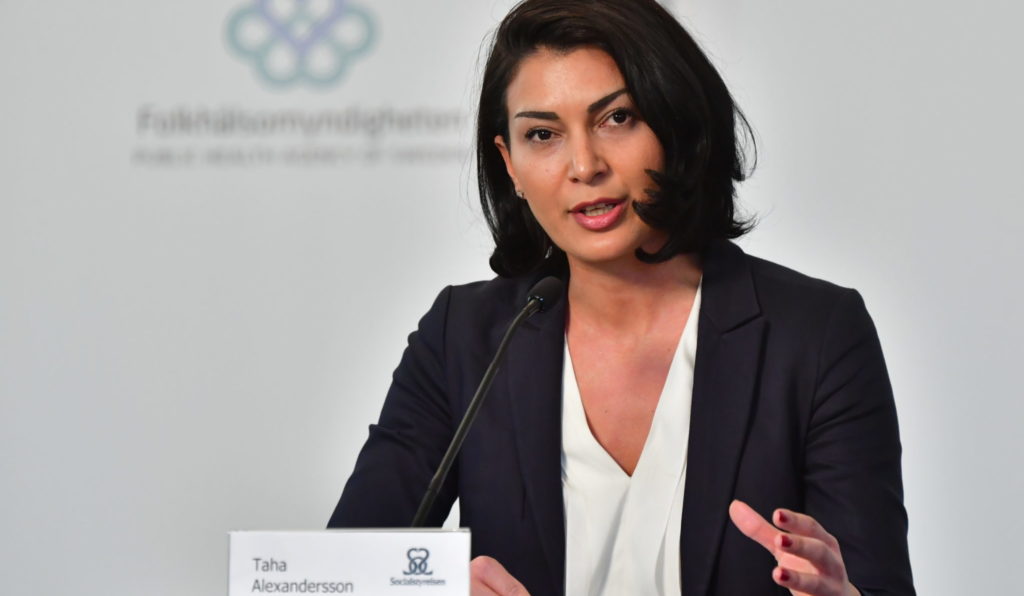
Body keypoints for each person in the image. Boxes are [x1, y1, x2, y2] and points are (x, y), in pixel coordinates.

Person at [328, 1, 914, 595]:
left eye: (617, 119)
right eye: (542, 135)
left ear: (675, 123)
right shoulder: (463, 337)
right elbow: (340, 574)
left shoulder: (815, 334)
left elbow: (875, 583)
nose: (585, 165)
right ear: (510, 165)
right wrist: (434, 591)